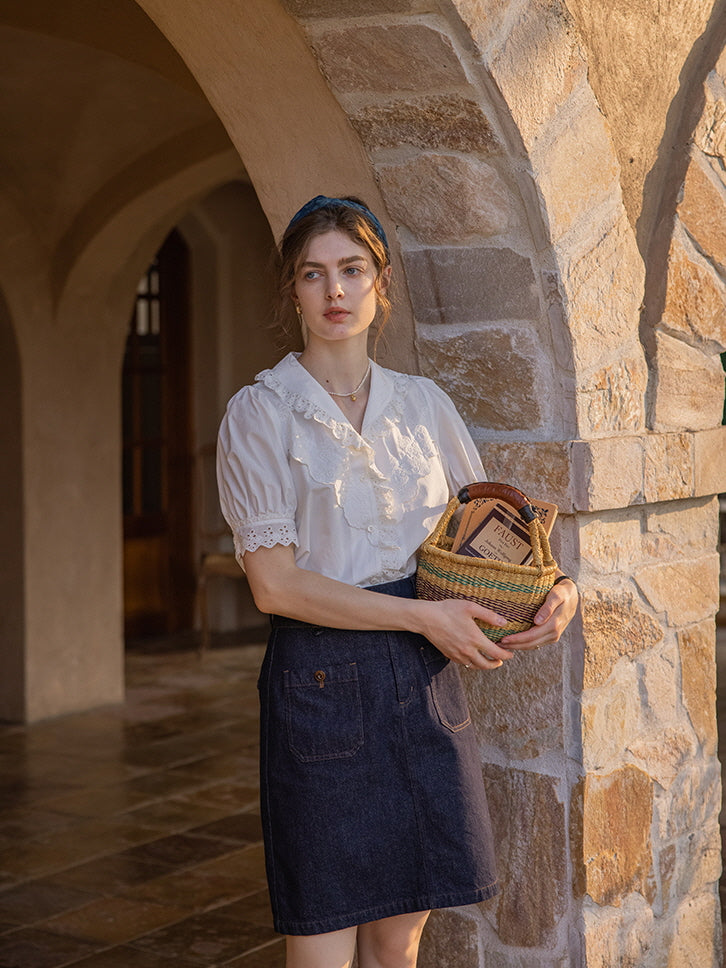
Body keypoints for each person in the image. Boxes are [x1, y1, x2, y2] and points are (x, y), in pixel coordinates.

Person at [216, 195, 578, 968]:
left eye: (352, 270)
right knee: (322, 943)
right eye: (313, 274)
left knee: (397, 943)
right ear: (292, 291)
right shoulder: (260, 414)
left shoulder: (423, 406)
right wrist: (422, 618)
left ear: (382, 284)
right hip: (319, 686)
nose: (334, 291)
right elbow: (275, 587)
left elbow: (489, 543)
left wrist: (556, 593)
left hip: (421, 686)